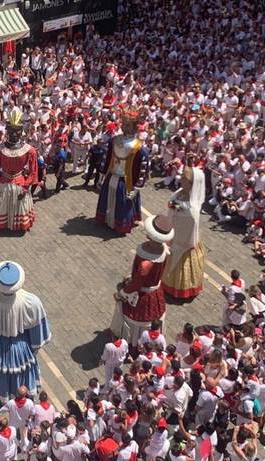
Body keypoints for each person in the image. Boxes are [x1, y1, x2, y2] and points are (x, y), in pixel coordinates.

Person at [0, 261, 51, 402]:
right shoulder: (32, 302)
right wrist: (33, 348)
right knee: (22, 370)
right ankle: (21, 392)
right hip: (22, 347)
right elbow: (37, 334)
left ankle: (0, 393)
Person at [111, 215, 174, 346]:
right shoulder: (163, 250)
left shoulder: (147, 262)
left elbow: (137, 283)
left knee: (132, 316)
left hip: (142, 295)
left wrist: (123, 292)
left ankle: (133, 343)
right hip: (156, 292)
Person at [96, 109, 148, 234]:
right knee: (107, 200)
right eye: (124, 124)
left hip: (126, 180)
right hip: (111, 175)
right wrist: (101, 175)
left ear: (135, 127)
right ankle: (107, 220)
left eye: (128, 125)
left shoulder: (138, 146)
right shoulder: (114, 140)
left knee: (122, 204)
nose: (125, 127)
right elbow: (107, 158)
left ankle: (121, 225)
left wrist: (137, 187)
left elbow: (142, 168)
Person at [0, 108, 39, 231]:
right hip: (3, 183)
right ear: (7, 132)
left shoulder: (29, 150)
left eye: (17, 131)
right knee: (1, 207)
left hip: (20, 184)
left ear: (21, 132)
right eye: (11, 131)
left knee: (20, 207)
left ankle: (19, 225)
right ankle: (3, 224)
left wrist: (26, 187)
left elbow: (33, 171)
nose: (14, 134)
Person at [162, 163, 207, 299]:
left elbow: (189, 227)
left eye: (184, 178)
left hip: (182, 242)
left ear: (192, 184)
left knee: (180, 263)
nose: (180, 179)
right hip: (172, 233)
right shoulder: (179, 193)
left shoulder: (192, 209)